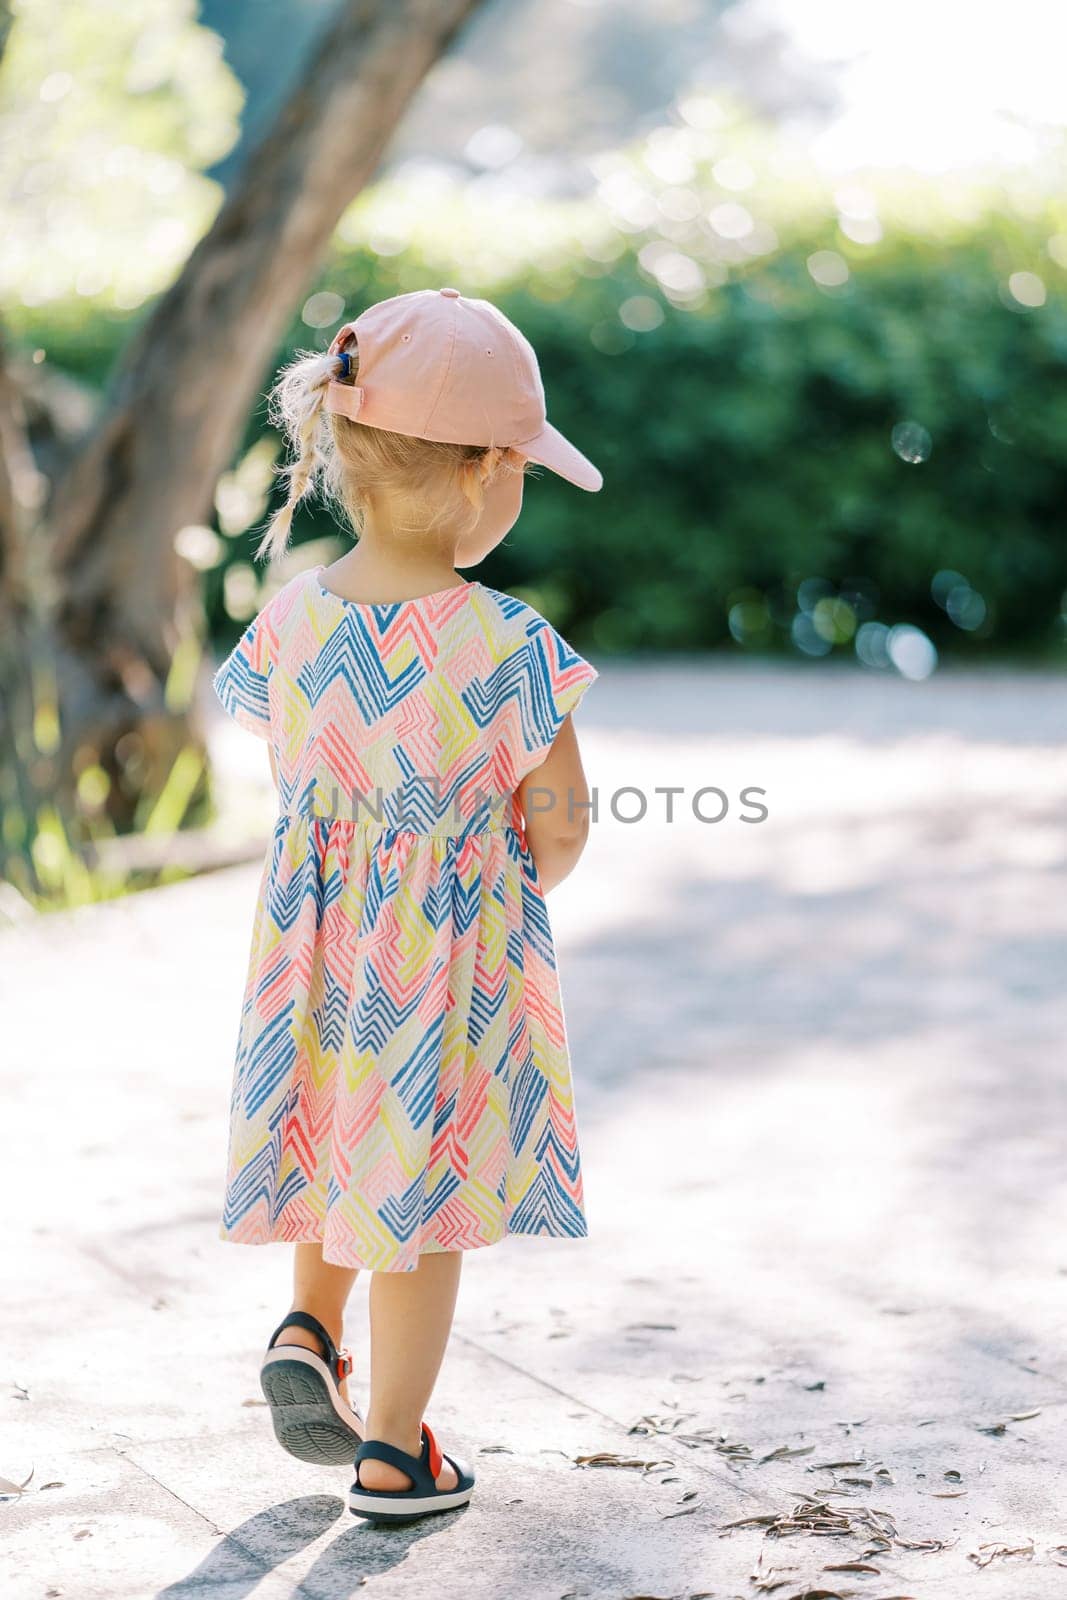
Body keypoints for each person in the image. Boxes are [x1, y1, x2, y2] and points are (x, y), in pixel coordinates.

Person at [211, 286, 602, 1524]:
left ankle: (305, 1323)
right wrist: (497, 888)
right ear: (488, 472)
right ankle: (393, 1453)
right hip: (442, 969)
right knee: (420, 1197)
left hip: (314, 957)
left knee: (335, 1133)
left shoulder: (290, 618)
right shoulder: (509, 643)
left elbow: (295, 781)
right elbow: (559, 821)